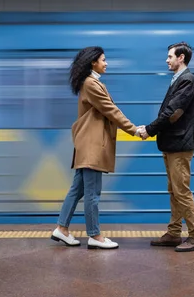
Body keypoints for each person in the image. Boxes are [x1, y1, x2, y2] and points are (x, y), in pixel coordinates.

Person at [51, 46, 143, 250]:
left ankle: (62, 228)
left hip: (86, 144)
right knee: (93, 193)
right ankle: (95, 236)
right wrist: (134, 130)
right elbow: (111, 111)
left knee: (77, 190)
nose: (106, 63)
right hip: (91, 146)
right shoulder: (91, 84)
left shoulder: (91, 82)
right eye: (103, 59)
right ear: (93, 62)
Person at [138, 42, 194, 252]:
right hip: (172, 143)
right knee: (174, 191)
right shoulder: (179, 80)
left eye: (170, 56)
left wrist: (149, 129)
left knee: (181, 191)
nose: (167, 60)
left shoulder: (188, 81)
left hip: (180, 143)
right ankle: (174, 233)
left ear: (181, 58)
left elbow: (172, 113)